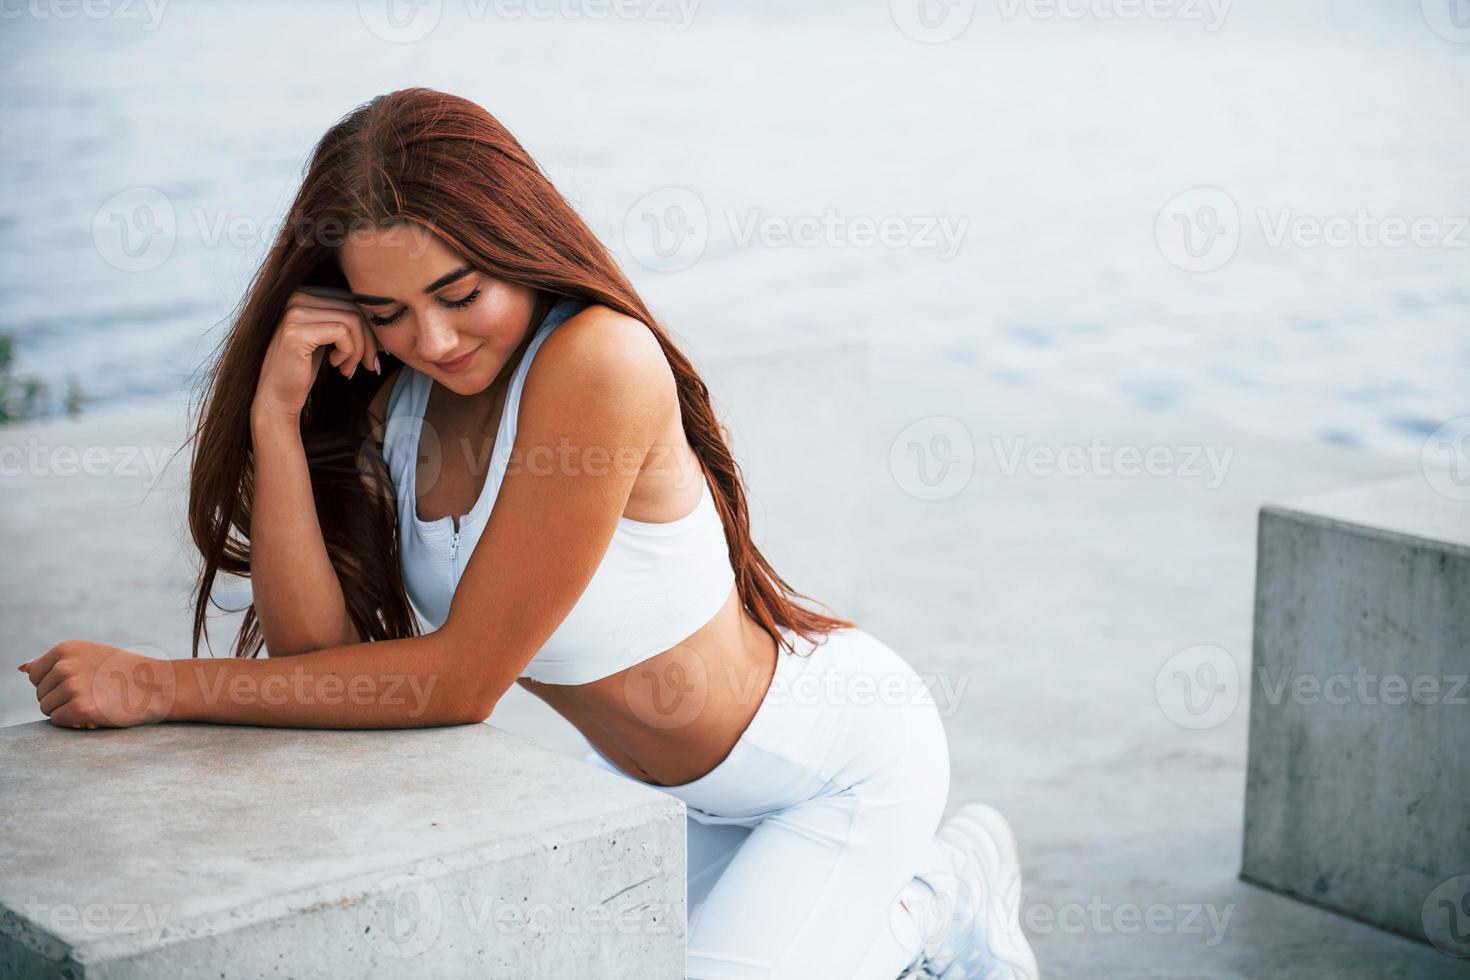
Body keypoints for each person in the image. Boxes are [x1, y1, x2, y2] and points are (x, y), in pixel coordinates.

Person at [17, 87, 1038, 980]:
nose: (436, 339)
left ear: (521, 245)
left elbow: (461, 681)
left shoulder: (600, 362)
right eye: (391, 311)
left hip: (832, 765)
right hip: (654, 782)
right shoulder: (396, 399)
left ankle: (935, 895)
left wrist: (156, 684)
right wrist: (276, 426)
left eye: (462, 293)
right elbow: (320, 667)